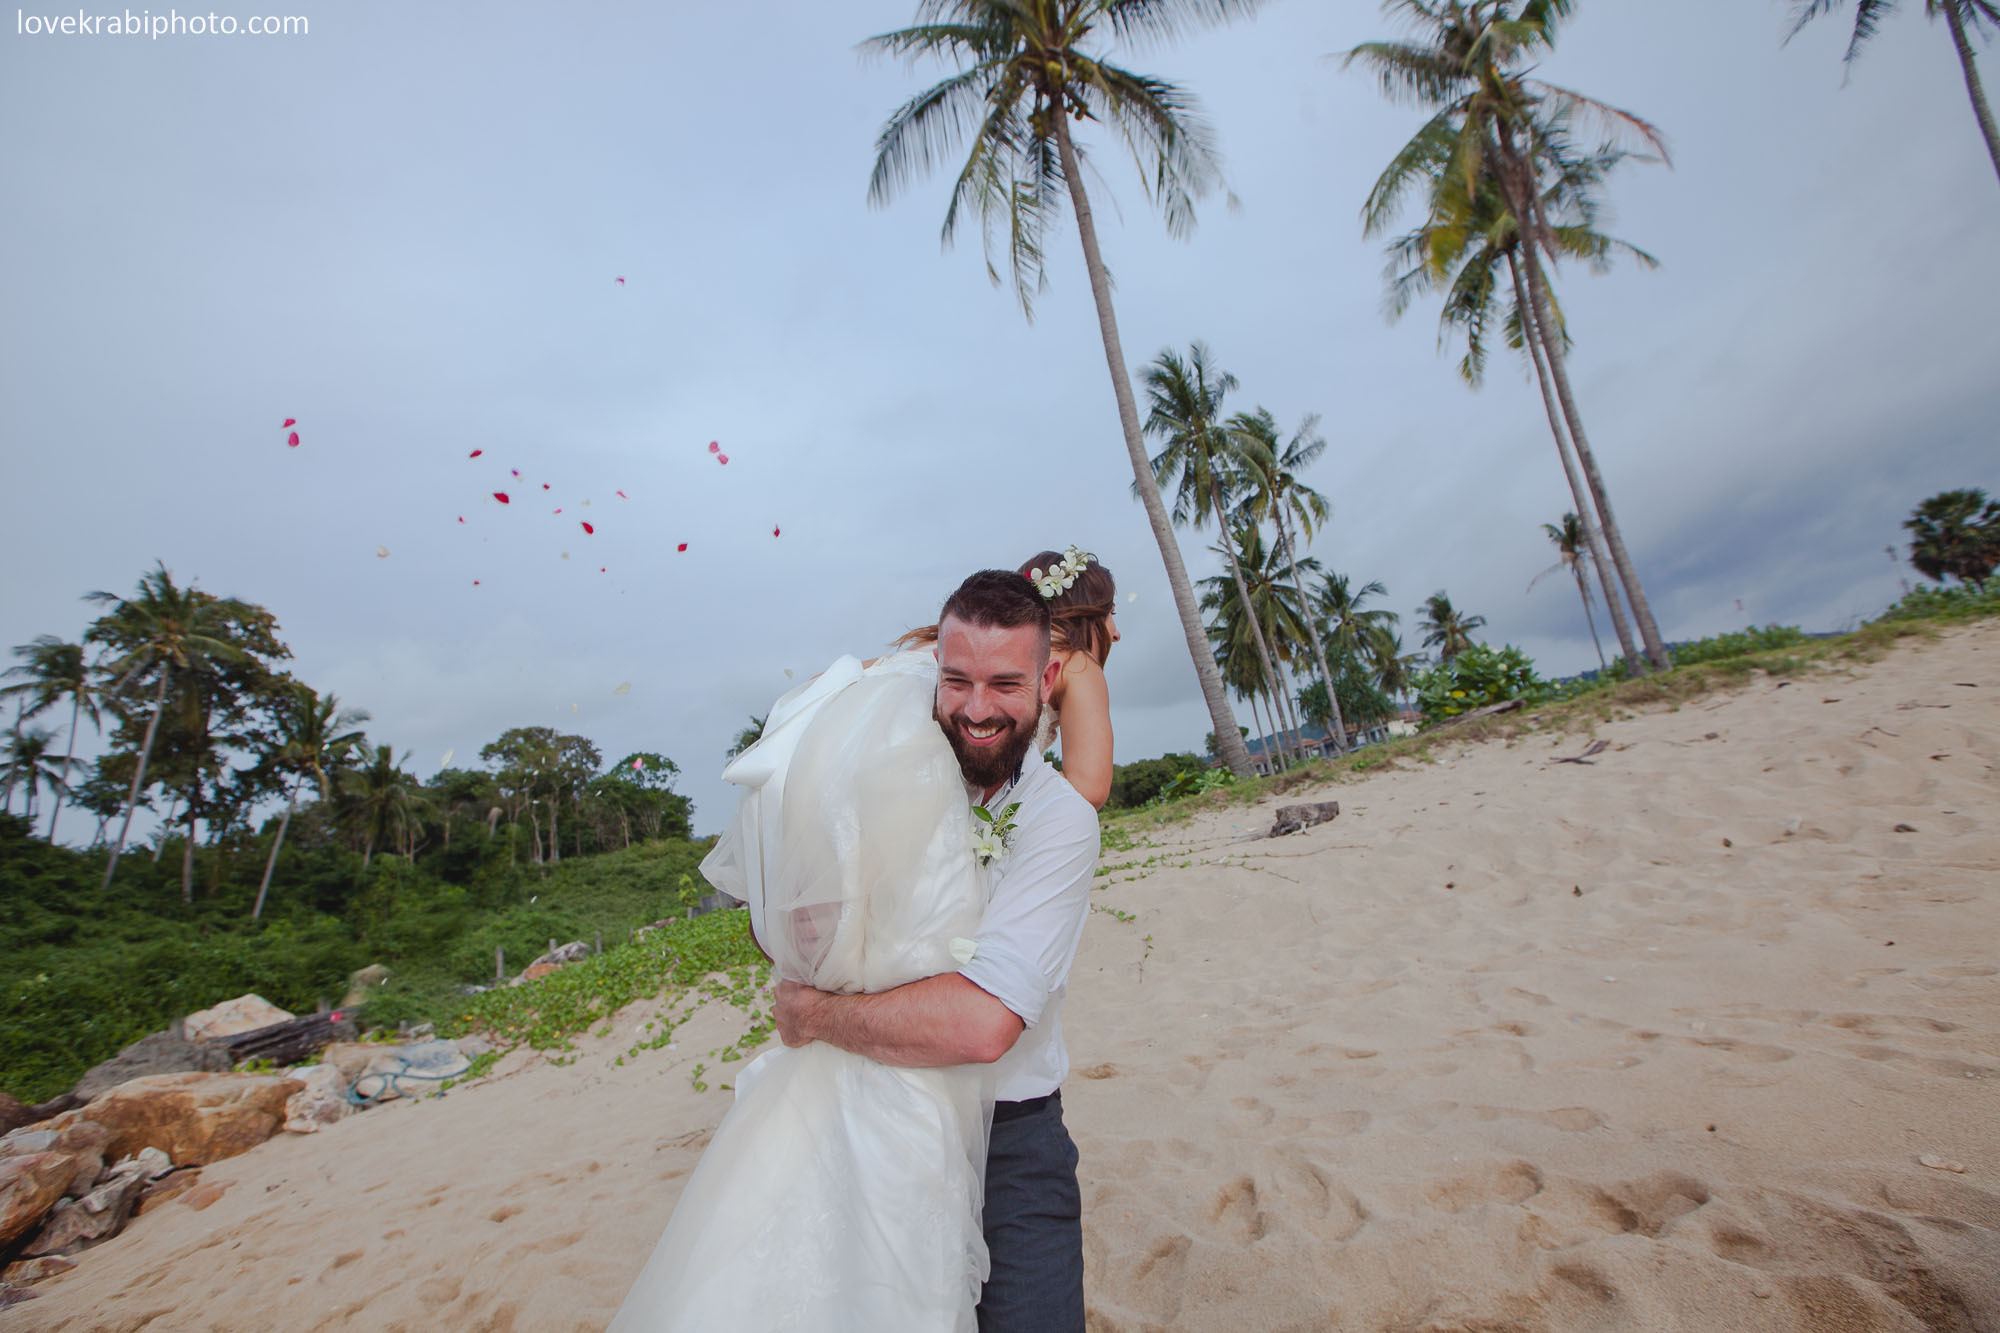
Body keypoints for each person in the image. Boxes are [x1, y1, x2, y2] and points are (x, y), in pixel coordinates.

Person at [607, 569, 1100, 1333]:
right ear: (933, 669)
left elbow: (982, 1025)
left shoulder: (1058, 820)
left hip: (1010, 1141)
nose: (976, 708)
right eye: (958, 680)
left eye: (1006, 683)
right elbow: (782, 918)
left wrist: (814, 1013)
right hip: (870, 1119)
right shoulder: (879, 769)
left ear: (1049, 678)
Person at [897, 546, 1121, 809]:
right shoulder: (1075, 662)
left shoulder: (949, 638)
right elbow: (1088, 789)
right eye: (1110, 615)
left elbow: (865, 674)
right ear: (1086, 615)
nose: (1115, 633)